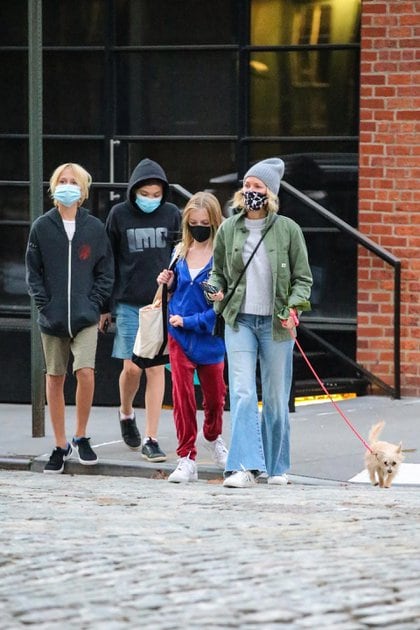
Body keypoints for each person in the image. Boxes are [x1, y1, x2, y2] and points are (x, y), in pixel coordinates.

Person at [208, 158, 313, 488]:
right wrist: (215, 289)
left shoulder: (288, 230)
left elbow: (303, 279)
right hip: (239, 320)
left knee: (276, 397)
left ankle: (277, 465)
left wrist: (295, 306)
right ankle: (243, 466)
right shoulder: (228, 229)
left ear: (271, 193)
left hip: (277, 324)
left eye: (258, 186)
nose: (251, 191)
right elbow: (218, 272)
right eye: (248, 185)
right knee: (241, 392)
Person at [25, 162, 114, 473]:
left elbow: (105, 271)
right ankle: (60, 443)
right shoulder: (42, 227)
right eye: (61, 181)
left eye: (72, 181)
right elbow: (33, 272)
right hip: (52, 318)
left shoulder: (94, 227)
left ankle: (81, 435)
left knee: (85, 372)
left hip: (84, 316)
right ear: (53, 187)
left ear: (83, 189)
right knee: (54, 377)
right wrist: (44, 304)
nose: (67, 185)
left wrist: (93, 303)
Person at [101, 158, 181, 462]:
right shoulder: (119, 215)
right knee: (132, 367)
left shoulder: (172, 214)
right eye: (145, 193)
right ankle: (125, 412)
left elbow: (180, 256)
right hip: (128, 301)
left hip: (161, 303)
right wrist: (105, 305)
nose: (151, 198)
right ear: (134, 191)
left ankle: (151, 437)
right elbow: (108, 260)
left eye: (156, 193)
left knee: (156, 368)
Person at [157, 192, 228, 483]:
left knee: (215, 397)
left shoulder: (222, 257)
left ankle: (213, 436)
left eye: (204, 222)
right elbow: (178, 292)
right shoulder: (180, 251)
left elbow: (219, 307)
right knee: (182, 396)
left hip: (209, 337)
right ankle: (186, 456)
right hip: (179, 335)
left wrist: (190, 320)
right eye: (194, 222)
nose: (199, 227)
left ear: (214, 223)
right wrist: (170, 283)